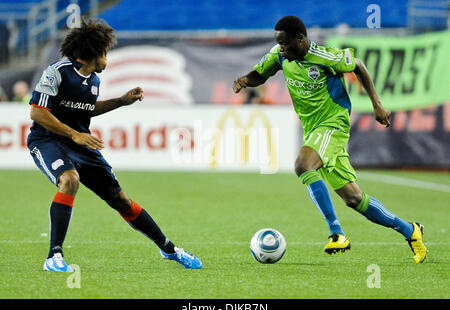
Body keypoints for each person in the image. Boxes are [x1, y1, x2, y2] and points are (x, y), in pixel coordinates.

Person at [232, 15, 427, 263]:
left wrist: (377, 105)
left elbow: (358, 65)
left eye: (284, 44)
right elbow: (261, 73)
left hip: (333, 123)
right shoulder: (280, 55)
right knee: (355, 199)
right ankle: (410, 230)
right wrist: (246, 80)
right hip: (313, 129)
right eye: (278, 44)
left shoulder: (326, 57)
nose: (280, 49)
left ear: (300, 39)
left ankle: (336, 233)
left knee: (303, 165)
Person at [27, 19, 202, 272]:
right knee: (69, 180)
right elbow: (37, 113)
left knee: (121, 200)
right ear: (93, 52)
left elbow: (87, 108)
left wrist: (121, 101)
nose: (107, 57)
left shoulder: (94, 81)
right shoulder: (57, 72)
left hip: (80, 143)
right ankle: (54, 256)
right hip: (47, 140)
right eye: (106, 51)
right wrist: (74, 134)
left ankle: (169, 249)